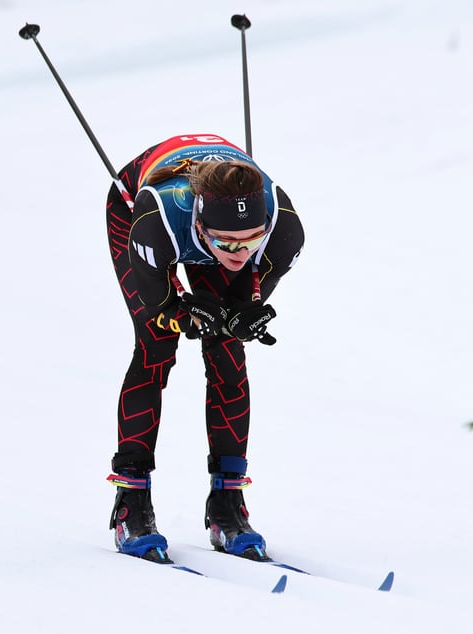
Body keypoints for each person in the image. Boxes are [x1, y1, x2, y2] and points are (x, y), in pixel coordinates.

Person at [105, 133, 305, 563]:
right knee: (156, 346)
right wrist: (186, 313)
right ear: (199, 226)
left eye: (252, 241)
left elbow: (247, 294)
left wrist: (240, 314)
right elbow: (161, 307)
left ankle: (228, 506)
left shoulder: (284, 231)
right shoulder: (157, 220)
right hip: (135, 209)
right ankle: (131, 504)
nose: (239, 252)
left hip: (204, 225)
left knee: (228, 349)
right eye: (228, 243)